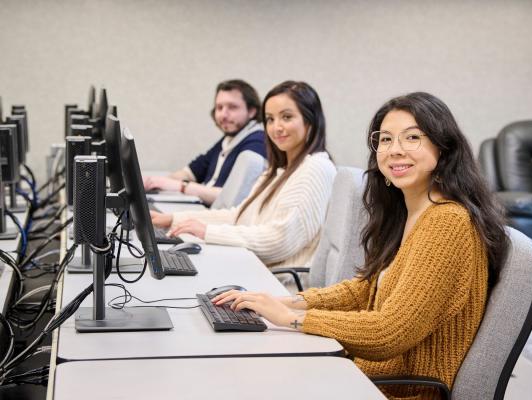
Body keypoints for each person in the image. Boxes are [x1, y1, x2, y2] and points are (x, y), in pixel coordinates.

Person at [213, 92, 508, 399]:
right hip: (369, 376)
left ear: (443, 148)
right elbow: (365, 289)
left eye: (412, 138)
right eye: (385, 139)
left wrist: (291, 319)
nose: (395, 150)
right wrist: (288, 302)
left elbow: (390, 331)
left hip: (399, 392)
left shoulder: (447, 223)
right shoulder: (410, 211)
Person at [151, 81, 337, 269]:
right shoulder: (278, 172)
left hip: (278, 283)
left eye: (286, 117)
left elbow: (280, 241)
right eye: (270, 119)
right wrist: (173, 219)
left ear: (310, 120)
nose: (276, 127)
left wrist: (207, 232)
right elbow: (239, 216)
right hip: (256, 268)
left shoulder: (316, 168)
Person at [143, 79, 267, 206]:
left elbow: (232, 199)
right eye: (219, 107)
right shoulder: (228, 140)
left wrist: (182, 186)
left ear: (252, 111)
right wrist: (155, 182)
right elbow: (190, 172)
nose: (223, 114)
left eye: (232, 107)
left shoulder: (257, 144)